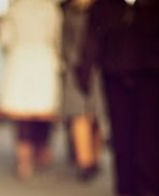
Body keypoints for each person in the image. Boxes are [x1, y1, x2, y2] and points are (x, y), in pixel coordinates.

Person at [77, 0, 159, 196]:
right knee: (122, 134)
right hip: (115, 74)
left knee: (149, 136)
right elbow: (93, 36)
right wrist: (84, 71)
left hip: (151, 75)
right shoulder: (105, 4)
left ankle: (149, 194)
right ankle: (125, 191)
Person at [0, 0, 63, 179]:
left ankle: (24, 161)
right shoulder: (51, 8)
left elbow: (4, 39)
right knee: (42, 111)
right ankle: (41, 150)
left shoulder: (15, 8)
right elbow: (56, 37)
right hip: (44, 59)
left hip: (20, 60)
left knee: (22, 115)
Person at [61, 0, 105, 181]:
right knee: (79, 115)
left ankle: (94, 158)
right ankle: (85, 162)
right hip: (75, 69)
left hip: (98, 69)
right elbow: (62, 41)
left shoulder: (103, 8)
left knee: (96, 117)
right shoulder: (66, 10)